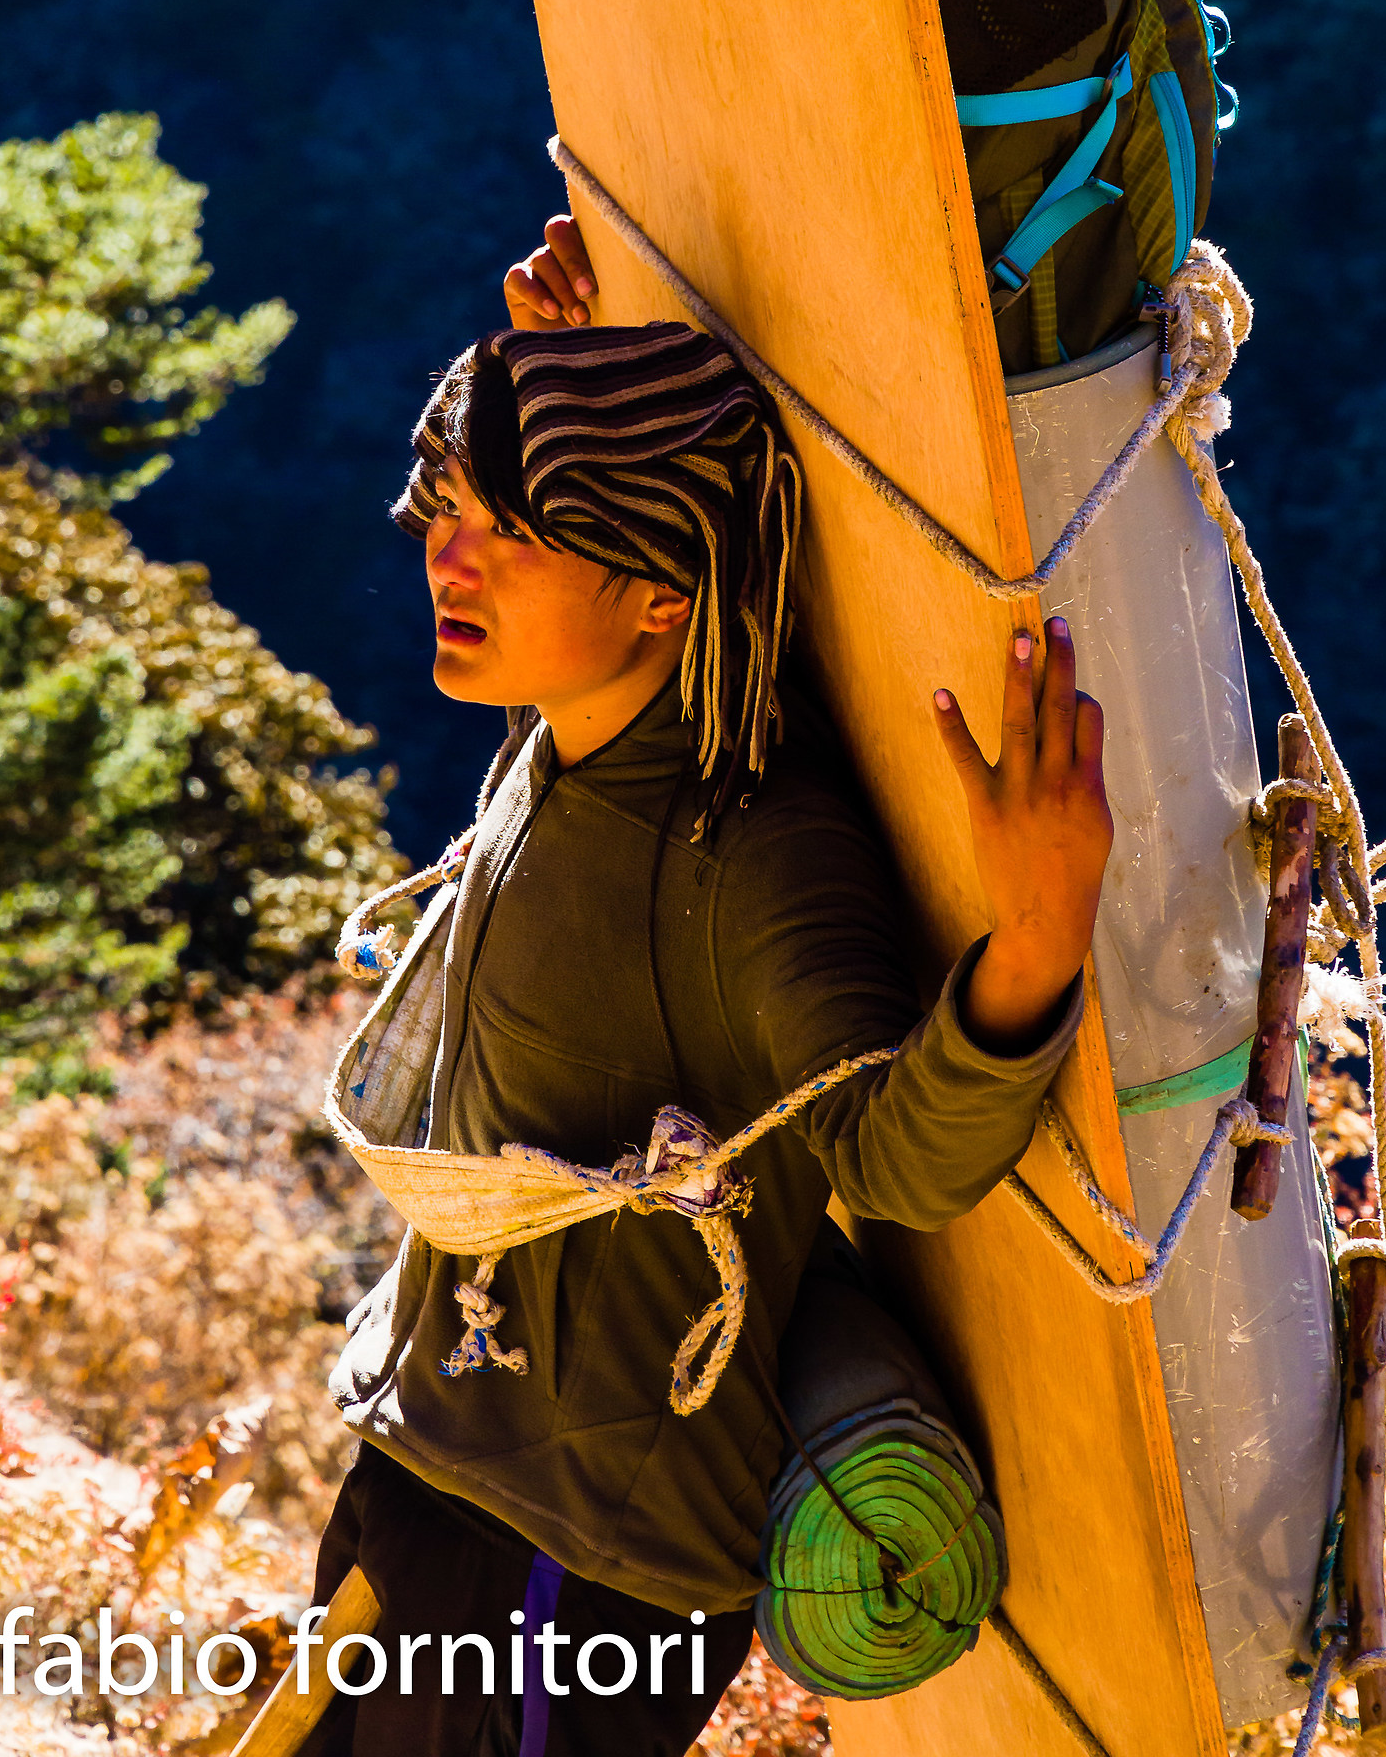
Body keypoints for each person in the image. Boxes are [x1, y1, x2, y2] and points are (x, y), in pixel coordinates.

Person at [303, 213, 1112, 1757]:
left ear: (666, 593)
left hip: (580, 1572)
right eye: (450, 510)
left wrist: (1040, 937)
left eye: (516, 535)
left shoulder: (751, 848)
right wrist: (558, 381)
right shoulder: (574, 731)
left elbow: (887, 1154)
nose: (449, 562)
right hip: (438, 1470)